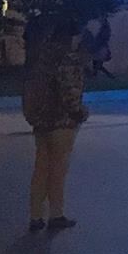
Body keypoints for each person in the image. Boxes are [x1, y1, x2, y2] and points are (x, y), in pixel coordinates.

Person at [23, 16, 88, 232]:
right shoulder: (67, 58)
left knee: (40, 169)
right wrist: (80, 112)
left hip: (41, 121)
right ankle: (56, 215)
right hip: (62, 122)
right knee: (58, 170)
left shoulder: (43, 57)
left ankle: (35, 217)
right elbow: (70, 93)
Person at [80, 15, 114, 80]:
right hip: (100, 48)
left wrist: (95, 46)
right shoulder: (104, 29)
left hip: (100, 49)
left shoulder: (105, 29)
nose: (100, 21)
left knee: (98, 64)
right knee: (98, 65)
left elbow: (102, 39)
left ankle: (95, 75)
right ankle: (109, 76)